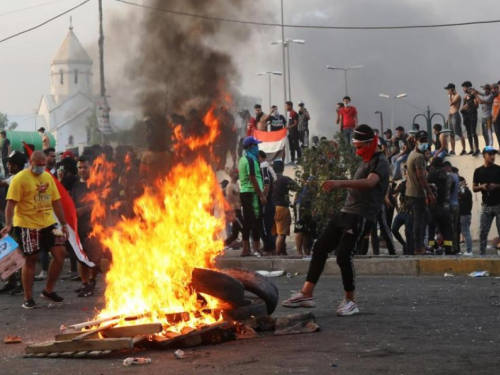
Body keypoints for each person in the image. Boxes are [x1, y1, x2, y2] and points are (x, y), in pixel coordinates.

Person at [282, 124, 390, 316]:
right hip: (346, 212)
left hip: (361, 215)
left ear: (369, 143)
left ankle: (351, 301)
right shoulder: (364, 161)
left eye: (359, 147)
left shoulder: (380, 161)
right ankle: (307, 293)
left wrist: (340, 182)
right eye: (354, 147)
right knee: (320, 247)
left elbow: (370, 183)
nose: (356, 151)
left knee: (343, 256)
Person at [0, 151, 69, 309]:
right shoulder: (20, 179)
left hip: (49, 223)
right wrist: (9, 225)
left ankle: (48, 291)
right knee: (30, 259)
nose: (41, 168)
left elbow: (56, 202)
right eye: (38, 165)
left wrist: (64, 224)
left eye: (43, 165)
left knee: (60, 254)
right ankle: (28, 298)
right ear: (30, 163)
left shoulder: (47, 177)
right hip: (26, 223)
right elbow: (10, 204)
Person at [70, 156, 103, 297]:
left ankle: (92, 280)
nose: (82, 170)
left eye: (85, 167)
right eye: (80, 167)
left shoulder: (96, 183)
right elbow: (71, 201)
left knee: (93, 256)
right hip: (79, 225)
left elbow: (100, 202)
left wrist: (83, 210)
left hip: (94, 225)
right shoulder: (76, 185)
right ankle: (85, 283)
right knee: (81, 255)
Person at [0, 151, 27, 295]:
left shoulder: (18, 178)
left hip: (19, 222)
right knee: (10, 251)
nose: (7, 165)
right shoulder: (16, 177)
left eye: (9, 163)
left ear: (15, 165)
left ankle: (22, 284)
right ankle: (11, 282)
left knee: (19, 252)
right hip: (14, 221)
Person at [406, 131, 436, 255]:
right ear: (416, 140)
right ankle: (418, 247)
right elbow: (421, 177)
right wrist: (429, 193)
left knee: (422, 219)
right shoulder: (419, 157)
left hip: (412, 192)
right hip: (418, 193)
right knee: (420, 221)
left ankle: (418, 245)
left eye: (425, 140)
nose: (424, 142)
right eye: (422, 140)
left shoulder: (412, 154)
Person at [239, 136, 267, 257]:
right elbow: (252, 177)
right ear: (250, 147)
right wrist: (261, 195)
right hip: (252, 193)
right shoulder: (250, 160)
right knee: (256, 221)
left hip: (246, 192)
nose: (257, 147)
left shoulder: (242, 159)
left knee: (247, 221)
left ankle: (246, 249)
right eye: (256, 145)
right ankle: (256, 248)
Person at [473, 146, 500, 256]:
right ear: (484, 155)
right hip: (486, 205)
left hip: (499, 205)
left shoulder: (499, 169)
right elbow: (474, 188)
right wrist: (482, 187)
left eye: (494, 154)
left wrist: (496, 186)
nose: (492, 156)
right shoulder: (478, 171)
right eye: (490, 154)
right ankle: (482, 256)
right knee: (483, 233)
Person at [426, 157, 454, 255]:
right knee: (446, 229)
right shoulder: (449, 176)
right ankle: (448, 249)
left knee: (431, 229)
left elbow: (427, 189)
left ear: (433, 165)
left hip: (434, 206)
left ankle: (431, 247)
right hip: (445, 206)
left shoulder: (431, 176)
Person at [271, 160, 297, 255]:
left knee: (275, 233)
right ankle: (277, 255)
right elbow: (296, 188)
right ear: (283, 168)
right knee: (282, 234)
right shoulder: (285, 179)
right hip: (282, 208)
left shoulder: (269, 179)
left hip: (271, 208)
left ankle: (282, 251)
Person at [391, 167, 414, 255]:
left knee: (408, 233)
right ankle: (404, 245)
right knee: (394, 229)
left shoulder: (416, 184)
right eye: (406, 172)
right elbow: (394, 194)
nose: (407, 174)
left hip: (411, 212)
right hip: (402, 211)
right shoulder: (402, 184)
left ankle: (409, 251)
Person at [294, 175, 317, 256]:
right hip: (301, 207)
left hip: (307, 207)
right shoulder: (304, 189)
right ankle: (299, 252)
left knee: (307, 230)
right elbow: (296, 199)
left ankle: (306, 252)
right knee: (299, 229)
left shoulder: (313, 188)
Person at [258, 150, 276, 254]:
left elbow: (266, 186)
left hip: (267, 203)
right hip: (269, 203)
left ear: (259, 157)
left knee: (265, 227)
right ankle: (268, 248)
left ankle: (270, 248)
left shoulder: (264, 168)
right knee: (266, 227)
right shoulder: (267, 167)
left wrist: (262, 199)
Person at [443, 161, 460, 254]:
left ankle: (453, 248)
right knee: (455, 228)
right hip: (456, 204)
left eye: (445, 168)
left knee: (450, 228)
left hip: (450, 205)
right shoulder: (456, 176)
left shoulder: (449, 176)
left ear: (448, 168)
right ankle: (456, 247)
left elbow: (448, 192)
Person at [223, 167, 243, 248]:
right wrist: (230, 214)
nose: (238, 174)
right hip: (235, 212)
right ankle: (247, 249)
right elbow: (228, 201)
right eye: (236, 173)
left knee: (235, 235)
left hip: (239, 210)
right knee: (244, 229)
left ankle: (219, 246)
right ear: (232, 175)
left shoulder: (237, 185)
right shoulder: (230, 186)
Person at [444, 83, 465, 155]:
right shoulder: (453, 96)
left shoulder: (457, 96)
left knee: (459, 133)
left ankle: (464, 149)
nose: (447, 92)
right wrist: (448, 118)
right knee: (451, 134)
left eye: (448, 90)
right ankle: (453, 150)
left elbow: (451, 104)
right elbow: (450, 108)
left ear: (451, 89)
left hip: (455, 115)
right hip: (451, 115)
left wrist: (450, 96)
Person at [460, 81, 480, 156]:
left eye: (464, 87)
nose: (463, 89)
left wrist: (469, 103)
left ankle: (477, 148)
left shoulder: (474, 95)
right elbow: (462, 108)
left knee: (473, 132)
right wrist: (463, 108)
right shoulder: (465, 97)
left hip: (473, 116)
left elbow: (477, 106)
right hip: (466, 117)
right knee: (468, 133)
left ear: (468, 87)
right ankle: (471, 149)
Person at [458, 176, 473, 256]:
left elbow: (463, 195)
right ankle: (460, 250)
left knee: (466, 232)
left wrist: (461, 188)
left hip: (465, 215)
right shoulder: (465, 190)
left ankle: (469, 250)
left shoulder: (465, 190)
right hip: (464, 214)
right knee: (464, 232)